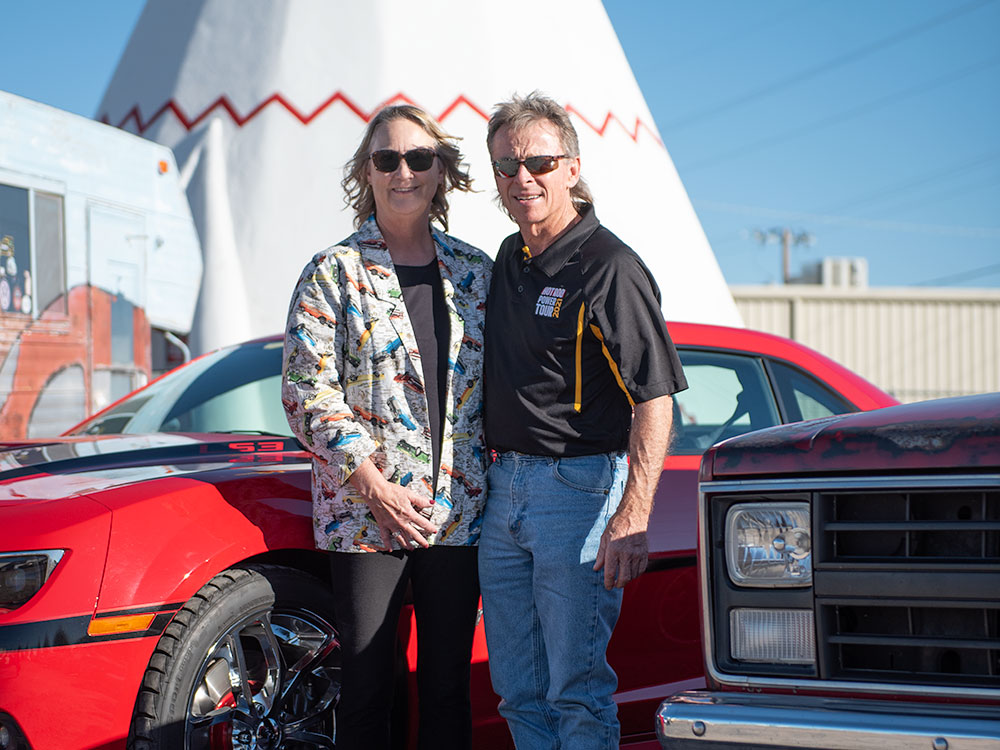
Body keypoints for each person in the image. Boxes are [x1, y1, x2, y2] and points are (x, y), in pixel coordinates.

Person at [479, 91, 688, 750]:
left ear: (572, 168)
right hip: (503, 492)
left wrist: (632, 515)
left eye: (539, 163)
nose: (523, 178)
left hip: (578, 492)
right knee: (518, 691)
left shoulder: (610, 266)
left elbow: (655, 398)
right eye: (507, 166)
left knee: (576, 691)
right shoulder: (509, 258)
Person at [281, 104, 491, 750]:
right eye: (388, 158)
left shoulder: (476, 273)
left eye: (419, 158)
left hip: (456, 513)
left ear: (440, 172)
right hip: (365, 516)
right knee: (370, 690)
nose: (405, 172)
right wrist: (375, 486)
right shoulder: (332, 272)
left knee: (449, 690)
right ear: (366, 172)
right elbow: (306, 389)